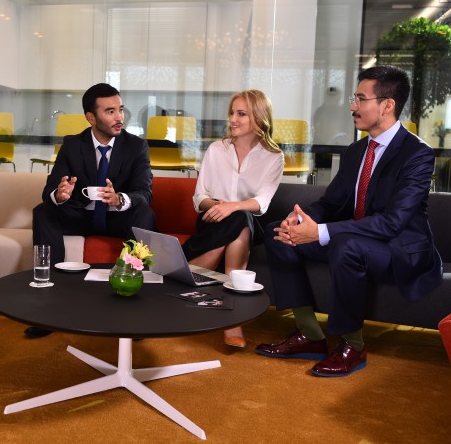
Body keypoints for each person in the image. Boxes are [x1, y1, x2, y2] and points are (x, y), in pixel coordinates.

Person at [255, 65, 443, 377]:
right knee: (278, 232)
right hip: (353, 240)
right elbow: (331, 203)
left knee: (346, 245)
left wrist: (320, 232)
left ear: (387, 105)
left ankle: (352, 346)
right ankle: (309, 334)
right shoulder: (357, 151)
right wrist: (300, 220)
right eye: (353, 99)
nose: (352, 107)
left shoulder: (418, 154)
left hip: (395, 248)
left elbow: (393, 223)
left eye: (360, 99)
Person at [29, 83, 155, 338]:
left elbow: (144, 192)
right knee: (43, 211)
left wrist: (119, 199)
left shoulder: (136, 146)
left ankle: (132, 305)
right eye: (110, 111)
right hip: (81, 216)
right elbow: (50, 190)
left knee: (145, 214)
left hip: (117, 217)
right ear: (91, 117)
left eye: (120, 109)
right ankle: (49, 306)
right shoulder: (72, 145)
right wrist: (60, 194)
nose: (119, 117)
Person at [182, 90, 284, 348]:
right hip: (211, 220)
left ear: (259, 118)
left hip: (249, 223)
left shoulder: (274, 156)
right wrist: (219, 207)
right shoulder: (217, 149)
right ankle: (233, 319)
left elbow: (262, 202)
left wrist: (233, 207)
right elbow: (199, 197)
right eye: (232, 113)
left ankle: (188, 272)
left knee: (241, 218)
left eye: (241, 114)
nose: (233, 119)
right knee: (236, 224)